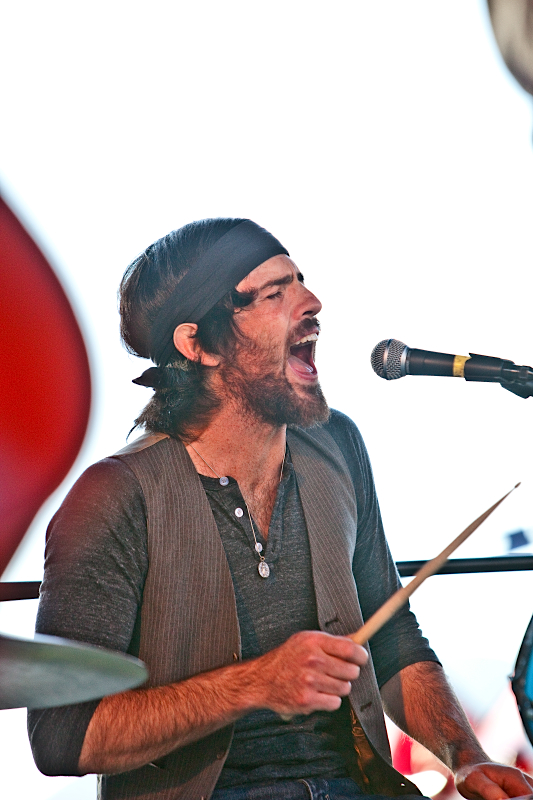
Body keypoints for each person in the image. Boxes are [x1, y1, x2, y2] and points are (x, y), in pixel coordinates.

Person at [28, 219, 533, 800]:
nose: (312, 302)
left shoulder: (337, 445)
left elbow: (392, 638)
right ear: (199, 346)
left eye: (300, 281)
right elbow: (62, 738)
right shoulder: (115, 495)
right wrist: (253, 684)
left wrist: (467, 758)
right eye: (275, 293)